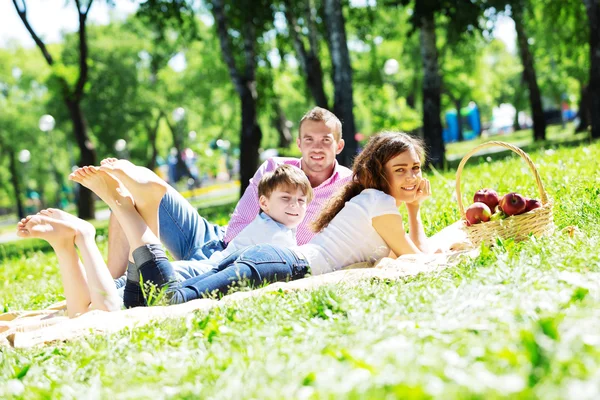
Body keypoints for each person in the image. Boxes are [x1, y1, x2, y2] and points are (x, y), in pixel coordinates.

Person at [75, 131, 432, 306]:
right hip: (283, 262)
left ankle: (100, 249)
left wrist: (413, 208)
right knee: (174, 297)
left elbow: (408, 249)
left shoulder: (373, 200)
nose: (412, 177)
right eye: (400, 169)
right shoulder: (379, 201)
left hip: (269, 257)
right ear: (378, 171)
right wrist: (414, 211)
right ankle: (124, 209)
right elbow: (413, 255)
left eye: (415, 168)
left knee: (154, 297)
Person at [15, 164, 313, 315]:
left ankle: (75, 239)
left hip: (197, 268)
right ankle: (124, 212)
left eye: (301, 201)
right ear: (262, 204)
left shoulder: (275, 225)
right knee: (103, 303)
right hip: (198, 273)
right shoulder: (280, 235)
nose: (294, 206)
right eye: (286, 198)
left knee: (87, 304)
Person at [103, 106, 352, 283]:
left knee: (162, 278)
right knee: (130, 192)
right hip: (215, 242)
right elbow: (238, 226)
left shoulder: (349, 185)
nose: (316, 147)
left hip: (236, 263)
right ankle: (108, 282)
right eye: (309, 139)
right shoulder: (274, 168)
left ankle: (114, 288)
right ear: (299, 143)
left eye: (325, 140)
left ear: (338, 146)